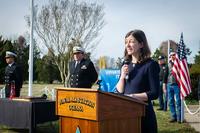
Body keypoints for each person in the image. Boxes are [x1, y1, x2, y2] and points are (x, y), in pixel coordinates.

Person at [116, 30, 160, 133]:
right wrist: (122, 76)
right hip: (126, 114)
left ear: (141, 44)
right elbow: (120, 91)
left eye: (131, 41)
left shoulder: (150, 65)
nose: (128, 45)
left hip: (143, 115)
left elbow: (154, 93)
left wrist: (132, 97)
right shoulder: (125, 64)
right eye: (126, 42)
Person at [166, 52, 181, 123]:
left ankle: (179, 117)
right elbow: (166, 75)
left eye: (173, 55)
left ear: (176, 55)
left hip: (177, 84)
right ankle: (173, 116)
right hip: (169, 84)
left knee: (178, 101)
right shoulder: (168, 64)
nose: (172, 56)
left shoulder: (179, 63)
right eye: (171, 55)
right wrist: (164, 85)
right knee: (171, 101)